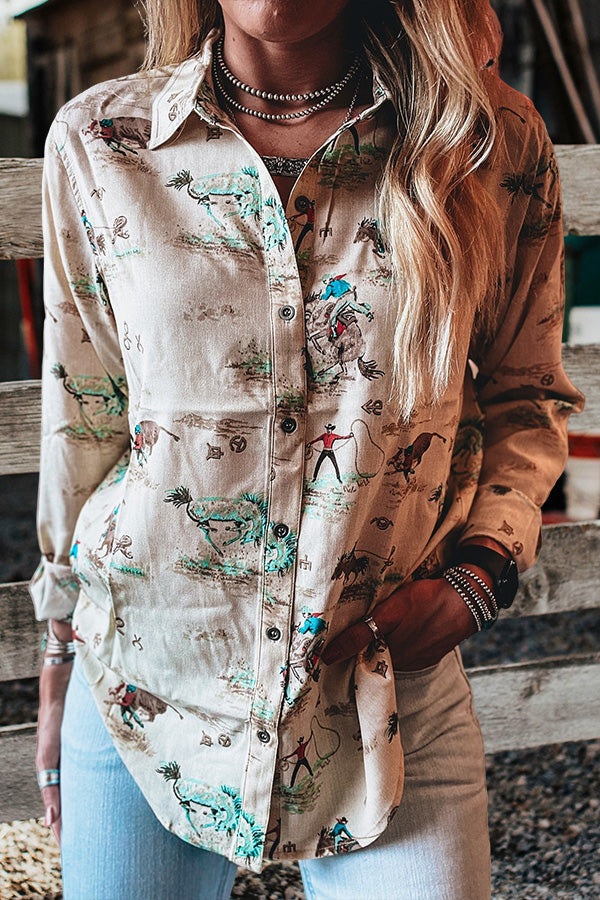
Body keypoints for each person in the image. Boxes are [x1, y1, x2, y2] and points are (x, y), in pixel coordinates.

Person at [31, 1, 585, 898]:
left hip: (383, 697)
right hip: (146, 680)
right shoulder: (101, 140)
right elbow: (84, 417)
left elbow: (529, 395)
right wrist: (57, 661)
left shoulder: (488, 144)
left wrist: (479, 577)